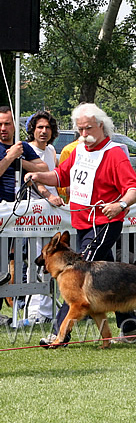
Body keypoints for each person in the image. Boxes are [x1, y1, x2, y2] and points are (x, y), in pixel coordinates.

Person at [26, 103, 136, 347]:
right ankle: (131, 327)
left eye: (88, 128)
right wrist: (38, 176)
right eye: (80, 129)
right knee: (109, 276)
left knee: (75, 273)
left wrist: (120, 205)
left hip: (104, 223)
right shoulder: (79, 150)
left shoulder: (115, 153)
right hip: (82, 223)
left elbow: (134, 188)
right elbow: (60, 176)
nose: (83, 134)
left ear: (101, 126)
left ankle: (60, 334)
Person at [0, 106, 48, 324]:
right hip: (1, 213)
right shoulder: (9, 150)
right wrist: (10, 158)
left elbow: (43, 167)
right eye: (0, 124)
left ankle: (23, 305)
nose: (3, 129)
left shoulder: (22, 147)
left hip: (18, 214)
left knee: (12, 264)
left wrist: (21, 159)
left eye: (7, 124)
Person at [22, 111, 65, 325]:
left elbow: (53, 178)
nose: (43, 131)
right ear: (33, 129)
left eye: (47, 127)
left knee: (55, 259)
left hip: (54, 212)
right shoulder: (26, 150)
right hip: (34, 212)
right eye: (39, 127)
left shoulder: (51, 150)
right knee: (37, 260)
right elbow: (32, 181)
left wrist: (56, 196)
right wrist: (48, 196)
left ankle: (50, 308)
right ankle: (35, 311)